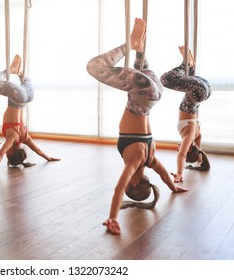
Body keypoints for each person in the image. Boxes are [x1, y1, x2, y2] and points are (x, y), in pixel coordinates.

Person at [86, 18, 188, 235]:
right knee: (95, 67)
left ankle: (140, 51)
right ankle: (131, 45)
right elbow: (118, 189)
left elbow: (163, 176)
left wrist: (173, 188)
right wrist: (113, 217)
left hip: (154, 92)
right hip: (143, 93)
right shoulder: (135, 161)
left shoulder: (150, 159)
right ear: (134, 183)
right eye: (131, 184)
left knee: (139, 70)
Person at [0, 55, 60, 179]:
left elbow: (37, 150)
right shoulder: (12, 138)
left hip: (29, 96)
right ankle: (11, 70)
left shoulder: (25, 138)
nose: (6, 153)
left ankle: (20, 72)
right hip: (17, 96)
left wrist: (48, 158)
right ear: (11, 152)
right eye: (8, 154)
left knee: (25, 80)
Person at [160, 46, 212, 182]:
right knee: (166, 79)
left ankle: (189, 63)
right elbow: (182, 155)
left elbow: (198, 148)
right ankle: (187, 63)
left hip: (204, 92)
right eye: (182, 149)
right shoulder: (188, 136)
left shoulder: (196, 135)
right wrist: (179, 173)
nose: (179, 150)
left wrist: (199, 158)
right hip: (197, 91)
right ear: (188, 149)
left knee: (185, 78)